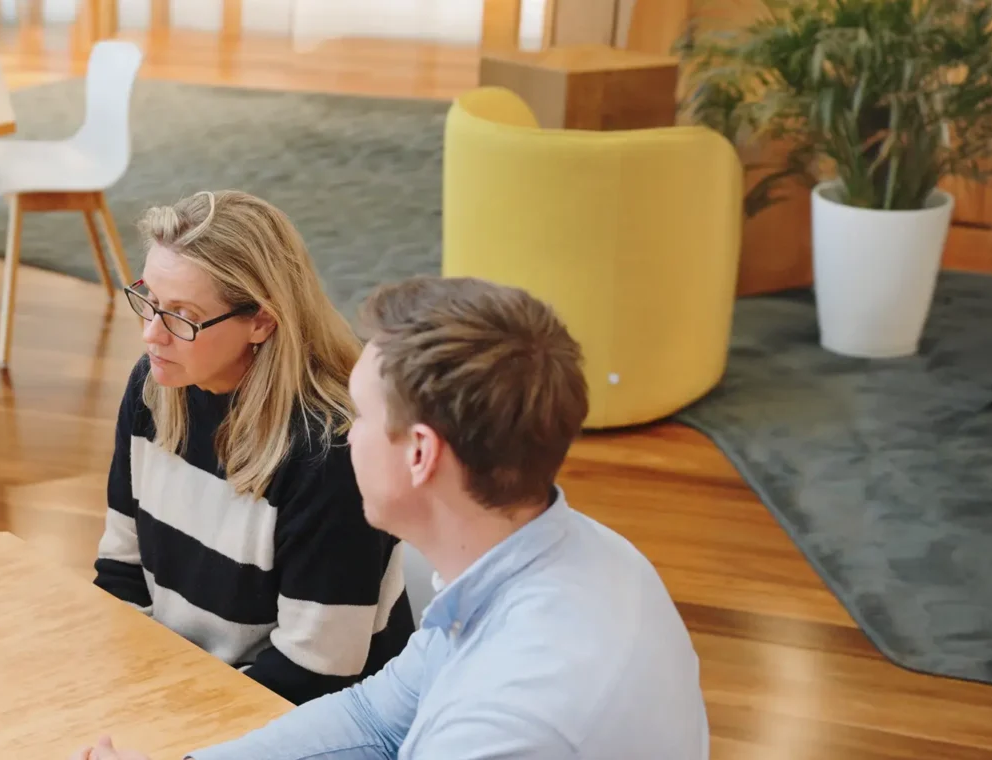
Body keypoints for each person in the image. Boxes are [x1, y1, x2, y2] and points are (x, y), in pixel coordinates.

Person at [75, 276, 709, 760]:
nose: (348, 436)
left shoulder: (510, 724)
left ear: (421, 453)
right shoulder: (560, 555)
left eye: (364, 416)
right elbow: (374, 718)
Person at [95, 190, 415, 707]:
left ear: (261, 322)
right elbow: (120, 571)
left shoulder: (328, 453)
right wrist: (133, 689)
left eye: (182, 315)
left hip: (303, 719)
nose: (151, 334)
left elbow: (315, 672)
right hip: (181, 691)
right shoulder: (153, 387)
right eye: (149, 298)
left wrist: (172, 715)